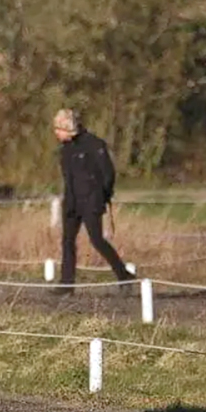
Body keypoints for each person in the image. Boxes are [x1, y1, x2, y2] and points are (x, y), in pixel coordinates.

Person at [52, 109, 135, 295]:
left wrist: (102, 196)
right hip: (72, 202)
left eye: (58, 129)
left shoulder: (94, 145)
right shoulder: (65, 149)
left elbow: (108, 173)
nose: (56, 133)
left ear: (68, 128)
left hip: (91, 201)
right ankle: (66, 284)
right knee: (67, 241)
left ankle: (123, 273)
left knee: (97, 240)